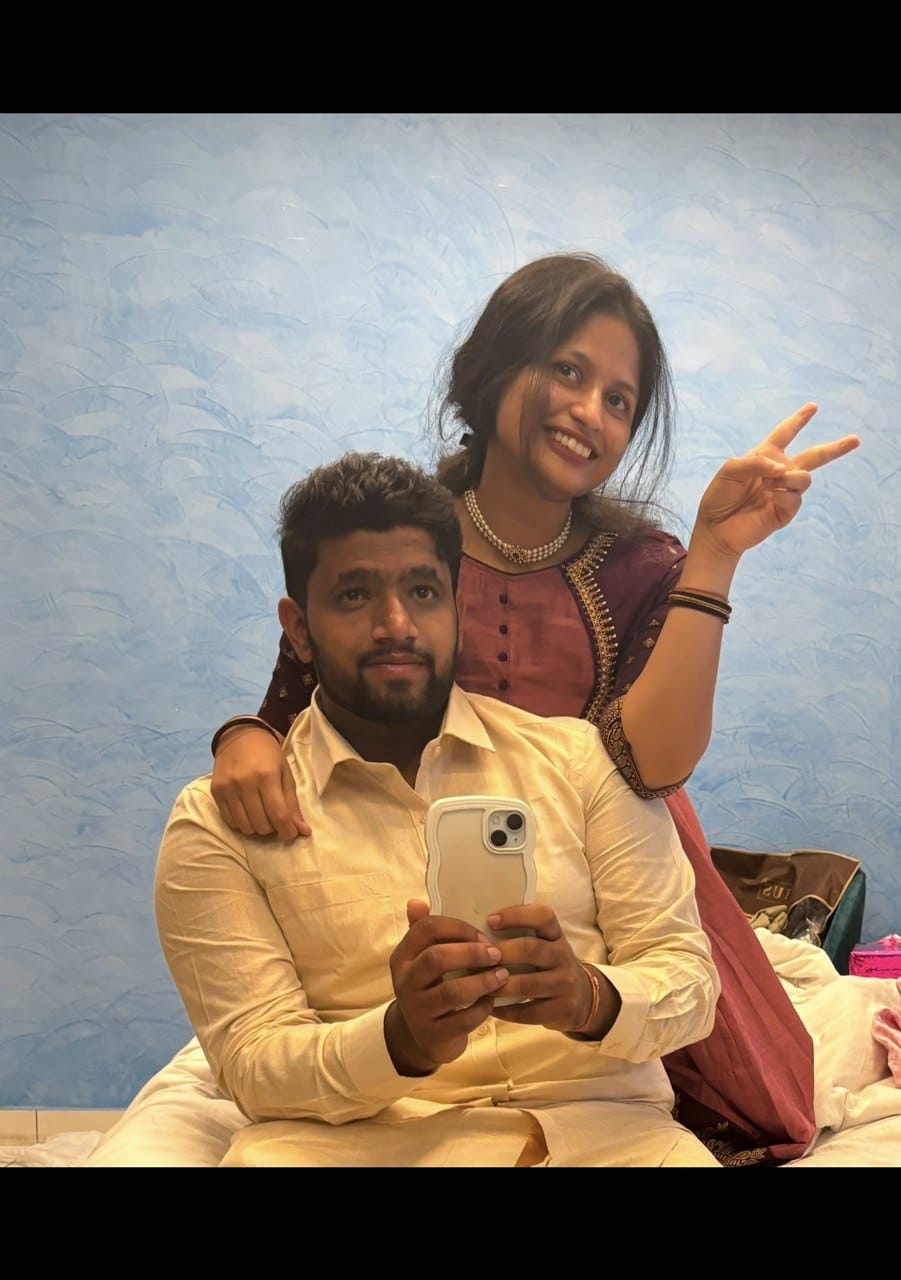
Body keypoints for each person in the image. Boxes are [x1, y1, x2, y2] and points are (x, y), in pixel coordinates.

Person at [207, 252, 860, 1163]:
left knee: (723, 1089)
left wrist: (712, 555)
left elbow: (650, 767)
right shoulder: (405, 534)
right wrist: (244, 737)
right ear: (493, 367)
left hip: (605, 846)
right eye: (566, 370)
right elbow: (301, 690)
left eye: (619, 400)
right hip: (411, 842)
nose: (589, 410)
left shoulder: (640, 565)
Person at [155, 451, 723, 1167]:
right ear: (298, 628)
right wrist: (400, 1039)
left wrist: (588, 998)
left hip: (606, 1140)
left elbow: (689, 985)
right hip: (357, 1147)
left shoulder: (580, 764)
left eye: (422, 591)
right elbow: (253, 1063)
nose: (396, 624)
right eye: (354, 595)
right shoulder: (221, 824)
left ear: (456, 607)